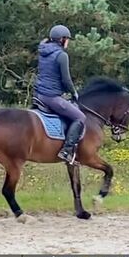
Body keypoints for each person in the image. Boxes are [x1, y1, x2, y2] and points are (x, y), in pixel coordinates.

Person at [34, 24, 86, 164]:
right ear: (62, 39)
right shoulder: (61, 55)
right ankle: (66, 150)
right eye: (67, 39)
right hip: (51, 97)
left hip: (39, 94)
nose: (68, 42)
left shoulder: (43, 51)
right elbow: (66, 79)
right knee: (80, 117)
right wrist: (74, 93)